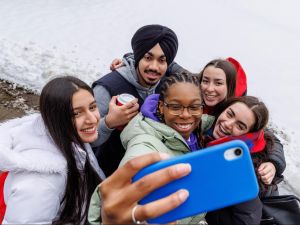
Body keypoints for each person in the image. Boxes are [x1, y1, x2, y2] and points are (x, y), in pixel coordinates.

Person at [0, 76, 191, 224]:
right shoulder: (40, 182)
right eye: (77, 113)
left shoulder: (72, 141)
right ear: (56, 117)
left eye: (92, 107)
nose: (92, 118)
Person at [92, 24, 181, 176]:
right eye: (148, 57)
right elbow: (85, 140)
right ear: (138, 56)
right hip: (107, 177)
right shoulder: (106, 88)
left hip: (154, 174)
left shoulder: (170, 86)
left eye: (162, 60)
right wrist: (109, 123)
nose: (154, 66)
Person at [198, 58, 285, 188]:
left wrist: (274, 163)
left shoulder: (242, 110)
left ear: (230, 87)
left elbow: (270, 139)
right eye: (205, 81)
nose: (210, 88)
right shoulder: (189, 93)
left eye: (218, 83)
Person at [203, 96, 282, 225]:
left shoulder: (242, 167)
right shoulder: (208, 133)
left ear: (248, 135)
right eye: (229, 114)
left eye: (240, 126)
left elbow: (248, 219)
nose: (228, 124)